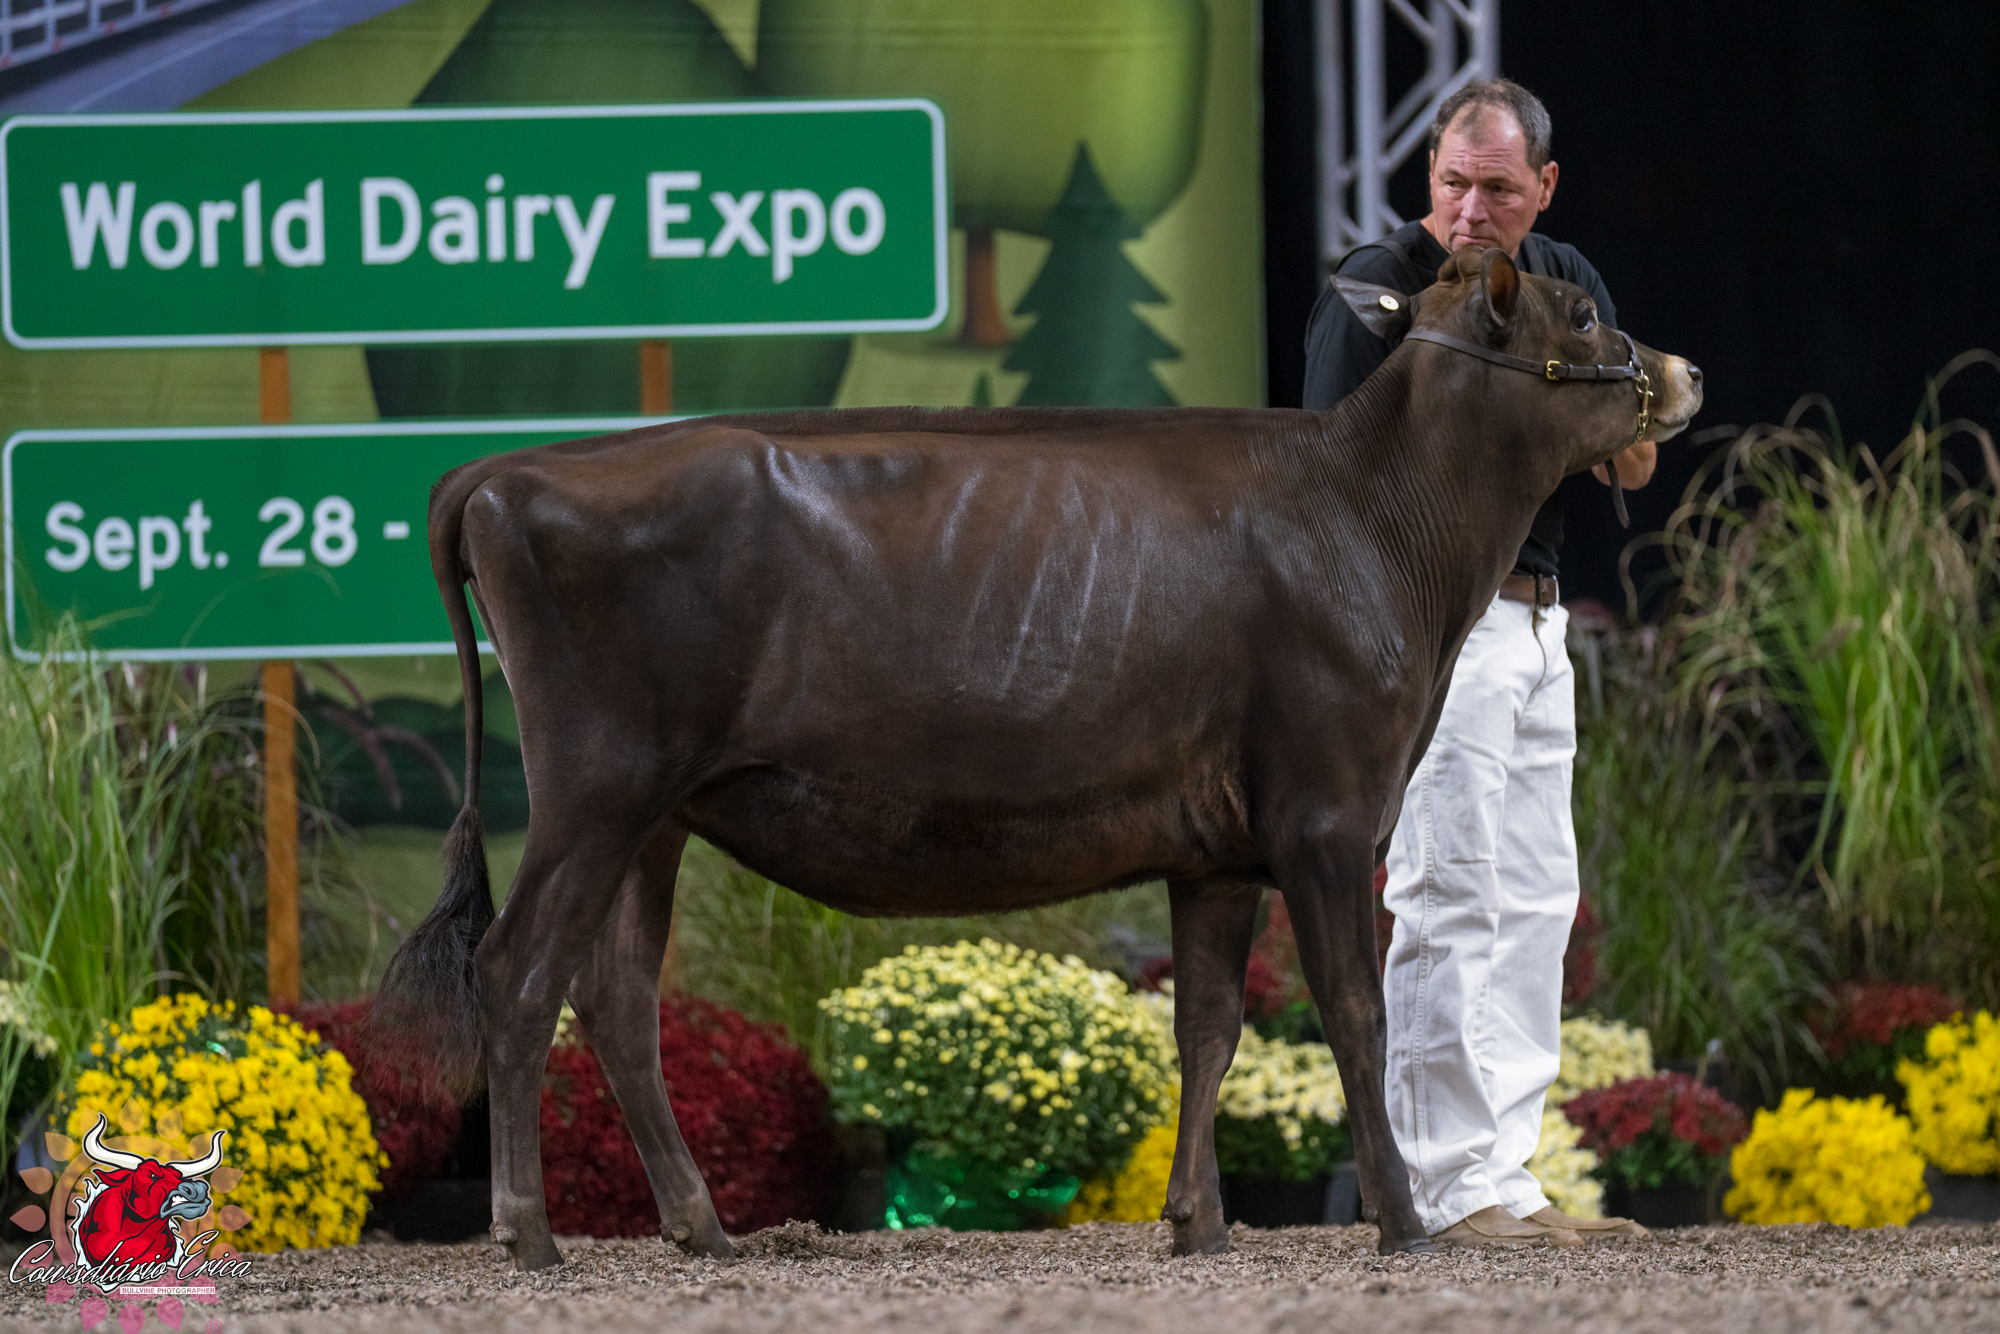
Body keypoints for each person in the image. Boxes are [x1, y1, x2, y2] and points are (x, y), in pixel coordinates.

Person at [1300, 79, 1656, 1250]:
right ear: (1428, 178)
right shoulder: (1378, 282)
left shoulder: (1561, 278)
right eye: (1452, 183)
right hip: (1436, 625)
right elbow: (1325, 468)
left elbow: (1635, 453)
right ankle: (1440, 1187)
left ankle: (1505, 1173)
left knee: (1534, 901)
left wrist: (1574, 420)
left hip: (1541, 624)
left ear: (1541, 187)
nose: (1468, 209)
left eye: (1496, 188)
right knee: (1446, 890)